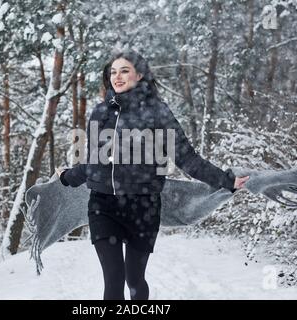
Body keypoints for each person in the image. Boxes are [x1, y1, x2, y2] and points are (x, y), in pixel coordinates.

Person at [55, 50, 249, 300]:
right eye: (113, 72)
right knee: (113, 282)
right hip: (103, 205)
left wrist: (226, 180)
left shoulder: (157, 112)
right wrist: (68, 176)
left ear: (140, 75)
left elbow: (186, 158)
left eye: (124, 71)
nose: (117, 77)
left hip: (143, 207)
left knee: (135, 280)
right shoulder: (101, 112)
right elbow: (95, 162)